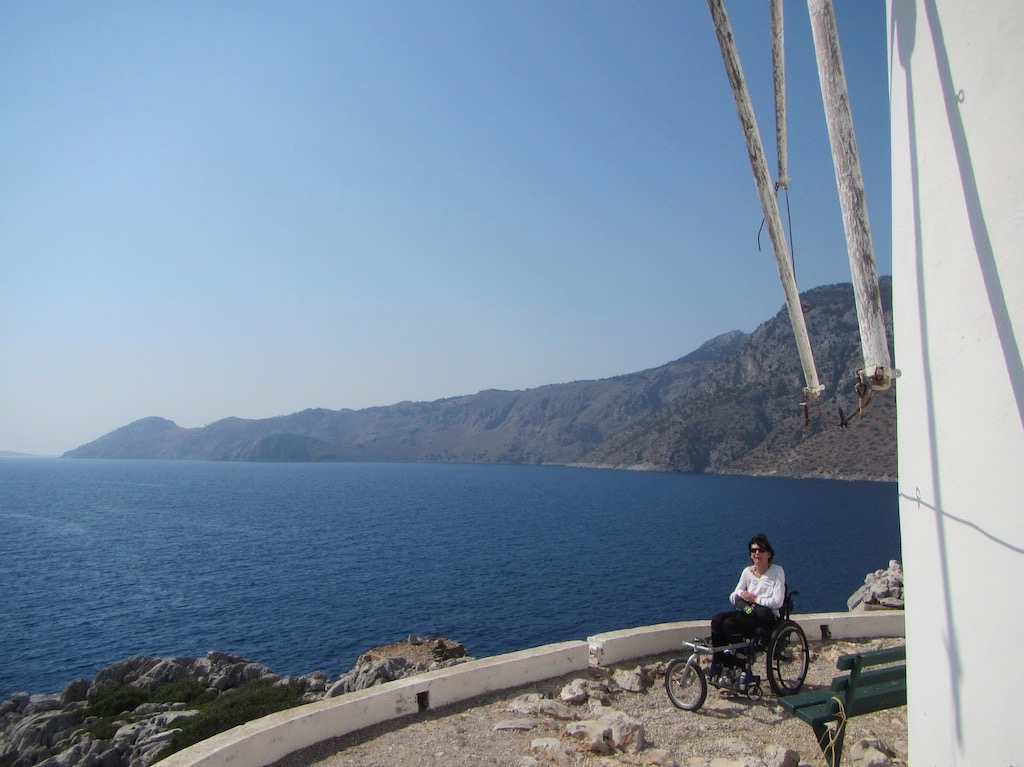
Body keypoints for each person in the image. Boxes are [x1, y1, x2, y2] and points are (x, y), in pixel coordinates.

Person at [708, 533, 785, 682]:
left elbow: (778, 602)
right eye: (754, 550)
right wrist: (741, 593)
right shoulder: (747, 572)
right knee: (717, 620)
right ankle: (719, 663)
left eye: (761, 550)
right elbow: (733, 596)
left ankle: (739, 665)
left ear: (768, 554)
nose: (757, 553)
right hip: (747, 611)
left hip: (766, 616)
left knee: (730, 625)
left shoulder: (777, 571)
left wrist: (756, 599)